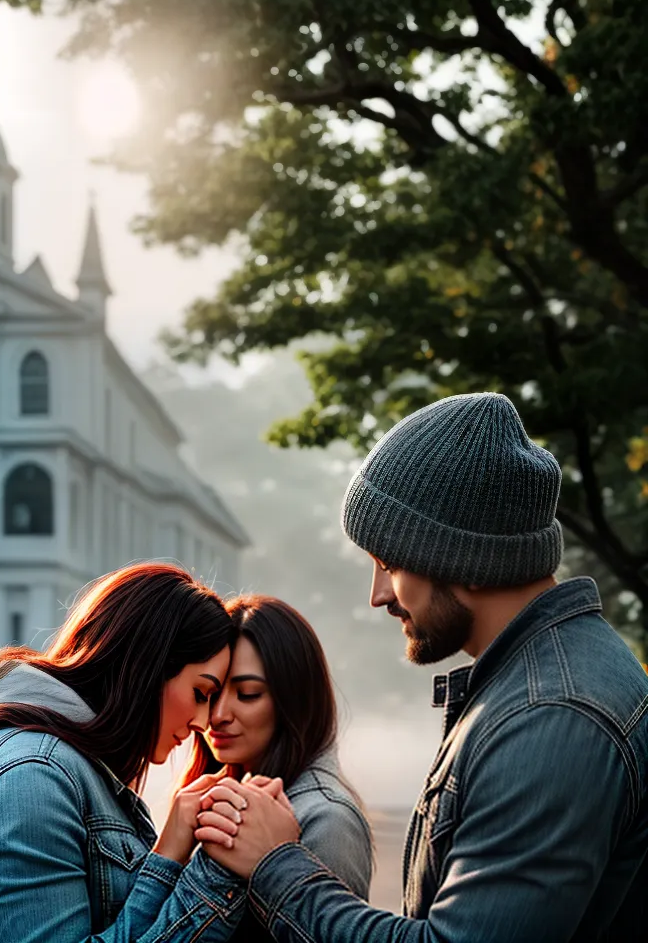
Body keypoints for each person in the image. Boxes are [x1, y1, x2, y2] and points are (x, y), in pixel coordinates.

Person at [194, 393, 648, 942]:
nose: (378, 595)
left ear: (467, 560)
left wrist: (277, 865)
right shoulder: (536, 686)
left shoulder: (550, 715)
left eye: (389, 564)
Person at [0, 562, 251, 943]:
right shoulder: (31, 777)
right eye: (201, 692)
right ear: (147, 668)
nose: (204, 722)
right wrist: (206, 871)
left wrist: (172, 852)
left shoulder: (67, 769)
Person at [183, 594, 372, 937]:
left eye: (248, 694)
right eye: (210, 692)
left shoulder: (327, 820)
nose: (219, 714)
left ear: (293, 700)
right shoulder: (204, 797)